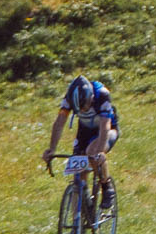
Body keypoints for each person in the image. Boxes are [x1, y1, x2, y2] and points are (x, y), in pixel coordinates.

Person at [42, 75, 119, 215]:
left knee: (92, 152)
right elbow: (59, 122)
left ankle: (106, 185)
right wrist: (51, 149)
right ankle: (77, 224)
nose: (82, 111)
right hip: (84, 131)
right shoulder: (69, 97)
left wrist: (100, 152)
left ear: (90, 97)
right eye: (80, 110)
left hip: (107, 130)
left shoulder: (102, 94)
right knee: (78, 173)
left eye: (85, 107)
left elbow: (105, 126)